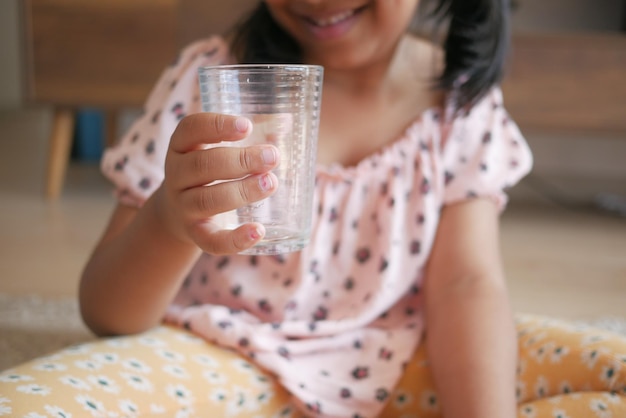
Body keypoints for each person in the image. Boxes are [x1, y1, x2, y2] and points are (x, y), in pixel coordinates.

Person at [2, 1, 626, 417]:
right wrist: (170, 219)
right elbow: (106, 313)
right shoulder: (208, 83)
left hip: (409, 356)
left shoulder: (459, 106)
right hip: (223, 356)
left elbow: (465, 287)